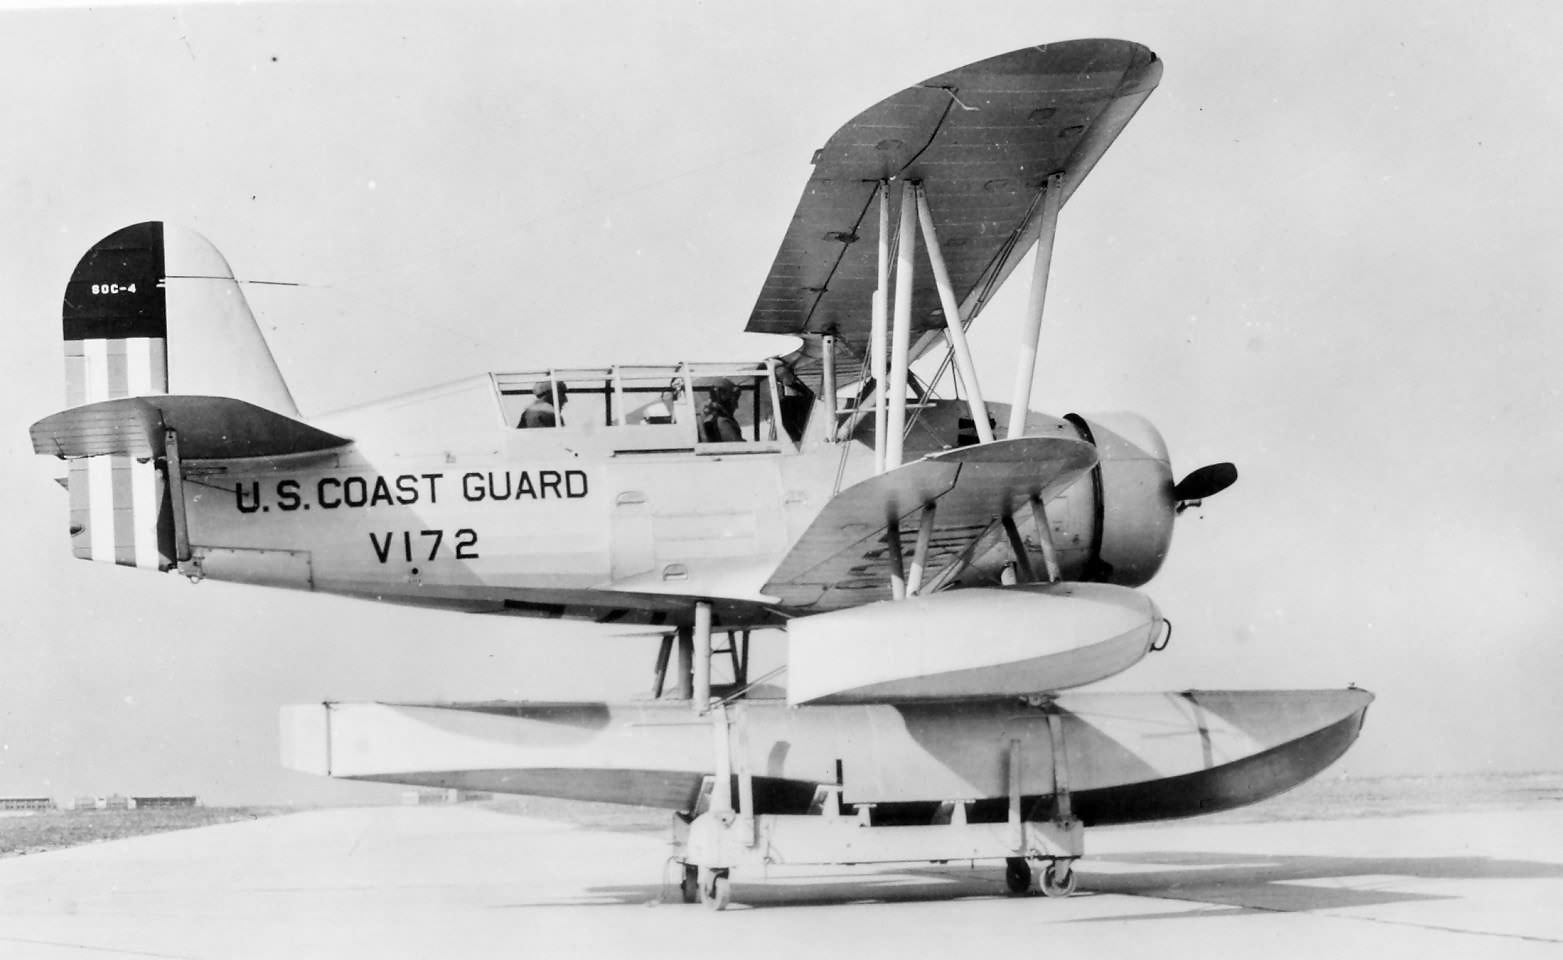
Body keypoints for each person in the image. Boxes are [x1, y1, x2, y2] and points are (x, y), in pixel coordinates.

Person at [699, 378, 744, 442]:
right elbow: (738, 447)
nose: (736, 406)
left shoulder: (710, 416)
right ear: (726, 399)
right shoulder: (722, 421)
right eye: (734, 401)